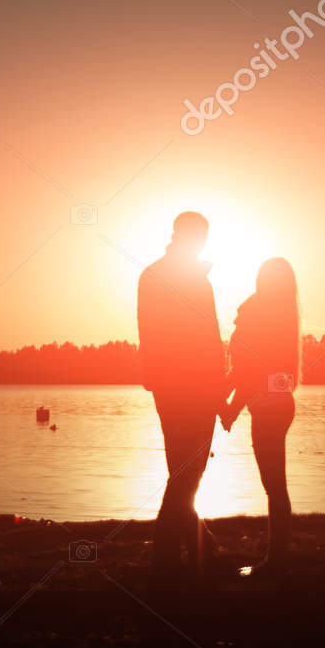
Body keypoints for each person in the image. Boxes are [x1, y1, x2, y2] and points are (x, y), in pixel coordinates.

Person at [137, 211, 228, 582]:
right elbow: (207, 340)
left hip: (171, 387)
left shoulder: (152, 275)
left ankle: (199, 547)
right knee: (187, 474)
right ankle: (167, 558)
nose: (201, 244)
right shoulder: (187, 281)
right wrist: (217, 390)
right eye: (199, 237)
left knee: (184, 471)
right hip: (190, 387)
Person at [220, 257, 300, 577]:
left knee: (274, 486)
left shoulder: (262, 315)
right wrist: (229, 399)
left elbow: (251, 373)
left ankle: (275, 561)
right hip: (275, 407)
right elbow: (250, 374)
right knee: (275, 485)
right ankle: (277, 556)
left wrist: (232, 406)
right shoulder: (280, 316)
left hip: (270, 409)